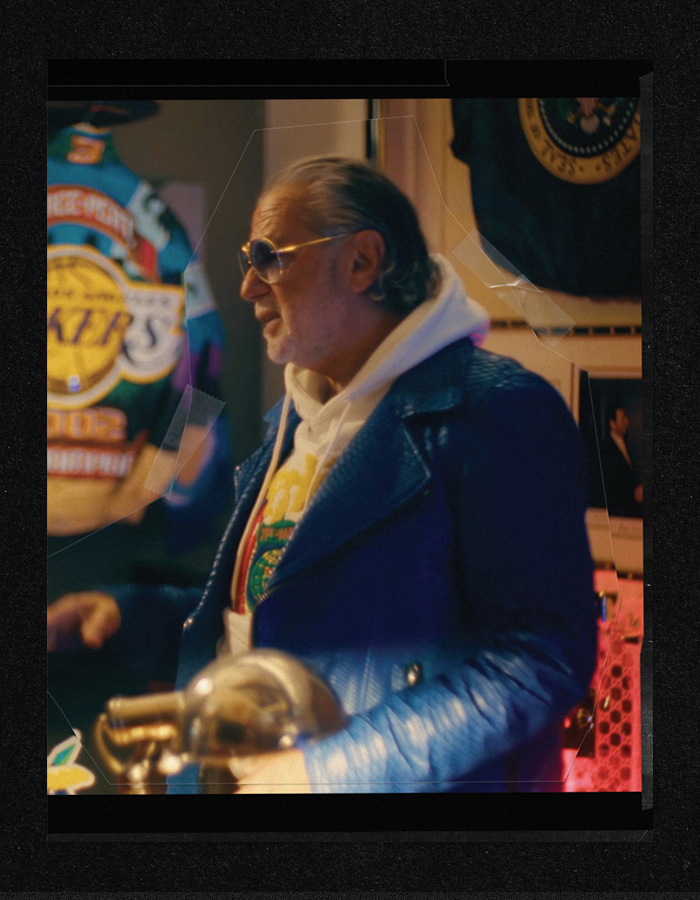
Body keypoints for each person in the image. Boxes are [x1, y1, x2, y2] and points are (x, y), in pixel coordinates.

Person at [47, 156, 597, 794]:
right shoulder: (296, 418)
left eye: (269, 258)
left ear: (361, 262)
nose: (248, 287)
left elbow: (539, 659)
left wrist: (332, 769)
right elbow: (271, 623)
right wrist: (130, 615)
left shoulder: (496, 410)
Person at [599, 404, 643, 517]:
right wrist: (634, 494)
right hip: (618, 513)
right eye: (622, 419)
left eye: (626, 418)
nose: (626, 422)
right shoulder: (606, 450)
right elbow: (612, 485)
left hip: (630, 511)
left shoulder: (628, 446)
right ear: (612, 424)